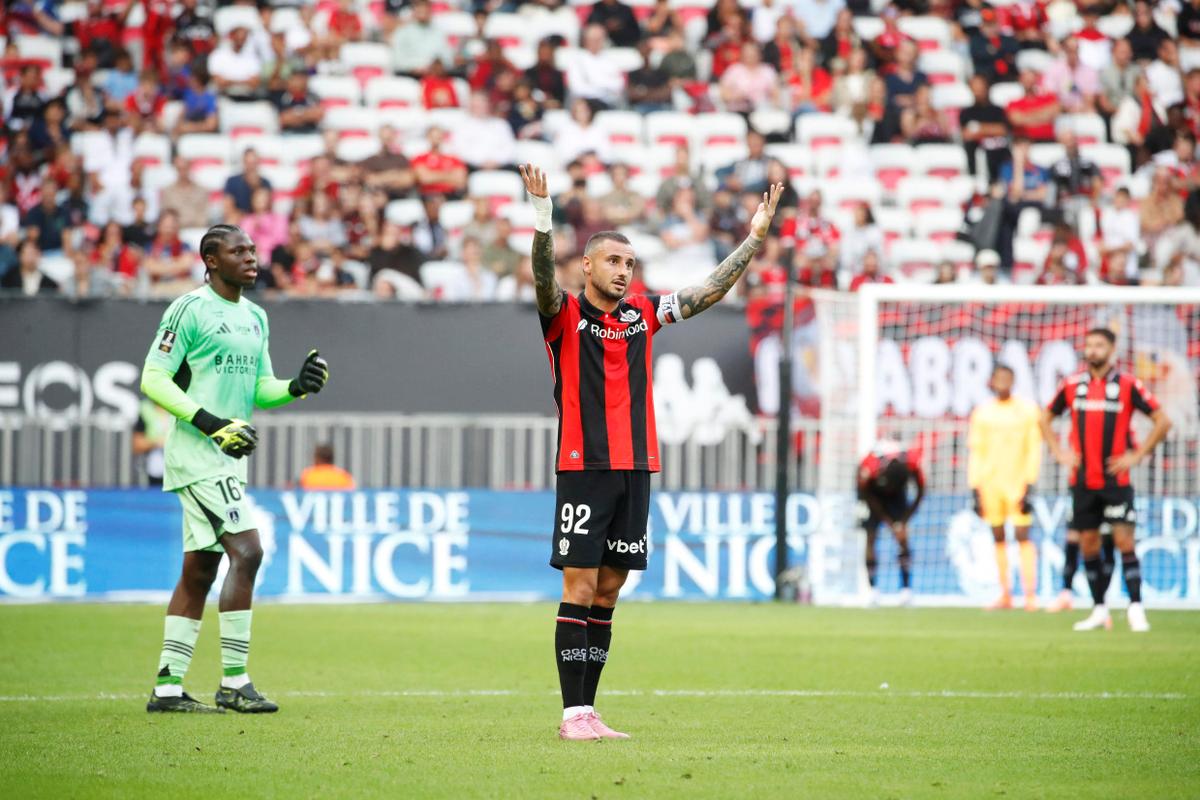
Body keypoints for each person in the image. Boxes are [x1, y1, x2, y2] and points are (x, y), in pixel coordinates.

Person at [520, 162, 782, 740]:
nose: (623, 271)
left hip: (636, 467)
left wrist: (754, 238)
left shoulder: (642, 315)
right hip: (584, 467)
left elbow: (707, 291)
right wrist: (543, 217)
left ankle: (590, 711)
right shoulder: (563, 315)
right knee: (579, 587)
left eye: (630, 263)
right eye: (613, 261)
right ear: (586, 265)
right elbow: (542, 277)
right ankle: (571, 716)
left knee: (610, 590)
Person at [140, 224, 330, 713]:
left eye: (252, 249)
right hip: (198, 455)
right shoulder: (189, 309)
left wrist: (295, 387)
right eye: (238, 251)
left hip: (226, 458)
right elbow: (153, 378)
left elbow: (259, 389)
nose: (251, 257)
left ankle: (167, 687)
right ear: (210, 259)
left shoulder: (256, 317)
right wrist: (210, 423)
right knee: (248, 550)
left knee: (200, 570)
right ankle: (233, 682)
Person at [1040, 328, 1172, 633]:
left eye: (1099, 345)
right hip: (1083, 480)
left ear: (1112, 350)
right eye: (1088, 345)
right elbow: (1044, 417)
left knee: (1125, 541)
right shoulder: (1072, 385)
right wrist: (1059, 451)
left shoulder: (1127, 385)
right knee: (1088, 543)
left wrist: (1137, 455)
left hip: (1116, 480)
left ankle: (1136, 607)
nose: (1092, 350)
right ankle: (1099, 609)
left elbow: (1163, 420)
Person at [968, 365, 1041, 612]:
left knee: (1022, 535)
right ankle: (1005, 594)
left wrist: (1030, 482)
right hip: (990, 484)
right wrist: (974, 486)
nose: (1002, 383)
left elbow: (1034, 448)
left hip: (1018, 483)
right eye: (998, 379)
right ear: (992, 381)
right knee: (997, 536)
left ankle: (1030, 595)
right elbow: (977, 452)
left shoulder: (1027, 411)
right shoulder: (983, 413)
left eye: (1007, 379)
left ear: (1013, 381)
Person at [857, 442, 925, 607]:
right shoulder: (869, 467)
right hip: (871, 496)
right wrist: (888, 521)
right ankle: (872, 589)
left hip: (897, 499)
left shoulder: (912, 463)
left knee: (902, 538)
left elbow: (921, 492)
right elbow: (866, 494)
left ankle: (906, 590)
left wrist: (903, 521)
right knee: (870, 537)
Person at [133, 397, 174, 487]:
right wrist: (157, 443)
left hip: (179, 469)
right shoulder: (145, 409)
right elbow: (137, 445)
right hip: (156, 470)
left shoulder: (179, 405)